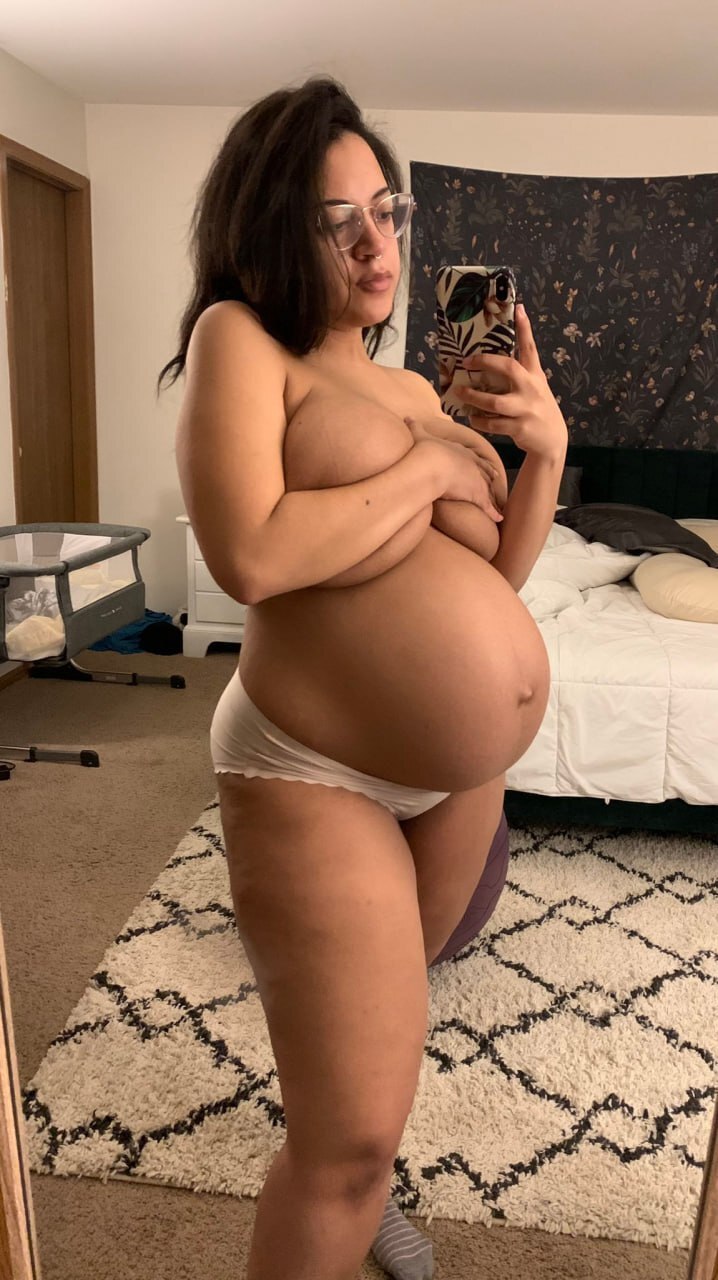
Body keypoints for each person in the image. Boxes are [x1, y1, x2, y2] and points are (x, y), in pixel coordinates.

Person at [158, 74, 567, 1280]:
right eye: (337, 221)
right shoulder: (241, 340)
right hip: (311, 768)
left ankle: (366, 1188)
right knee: (342, 1137)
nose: (376, 244)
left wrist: (541, 454)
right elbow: (252, 553)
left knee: (382, 1046)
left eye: (385, 211)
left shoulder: (409, 389)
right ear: (271, 227)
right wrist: (424, 475)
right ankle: (349, 1187)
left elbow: (493, 575)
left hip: (454, 780)